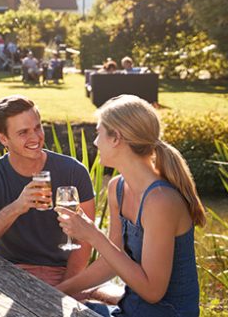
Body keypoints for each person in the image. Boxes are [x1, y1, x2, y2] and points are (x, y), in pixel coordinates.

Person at [56, 95, 204, 316]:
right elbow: (112, 262)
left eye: (99, 133)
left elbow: (153, 292)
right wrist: (59, 290)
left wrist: (94, 236)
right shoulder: (117, 188)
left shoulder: (160, 201)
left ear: (116, 138)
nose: (95, 142)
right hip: (130, 310)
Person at [0, 95, 95, 287]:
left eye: (37, 127)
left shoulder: (73, 171)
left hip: (63, 275)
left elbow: (86, 241)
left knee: (116, 299)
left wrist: (65, 289)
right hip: (11, 275)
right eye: (23, 132)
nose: (35, 137)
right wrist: (18, 207)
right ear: (3, 138)